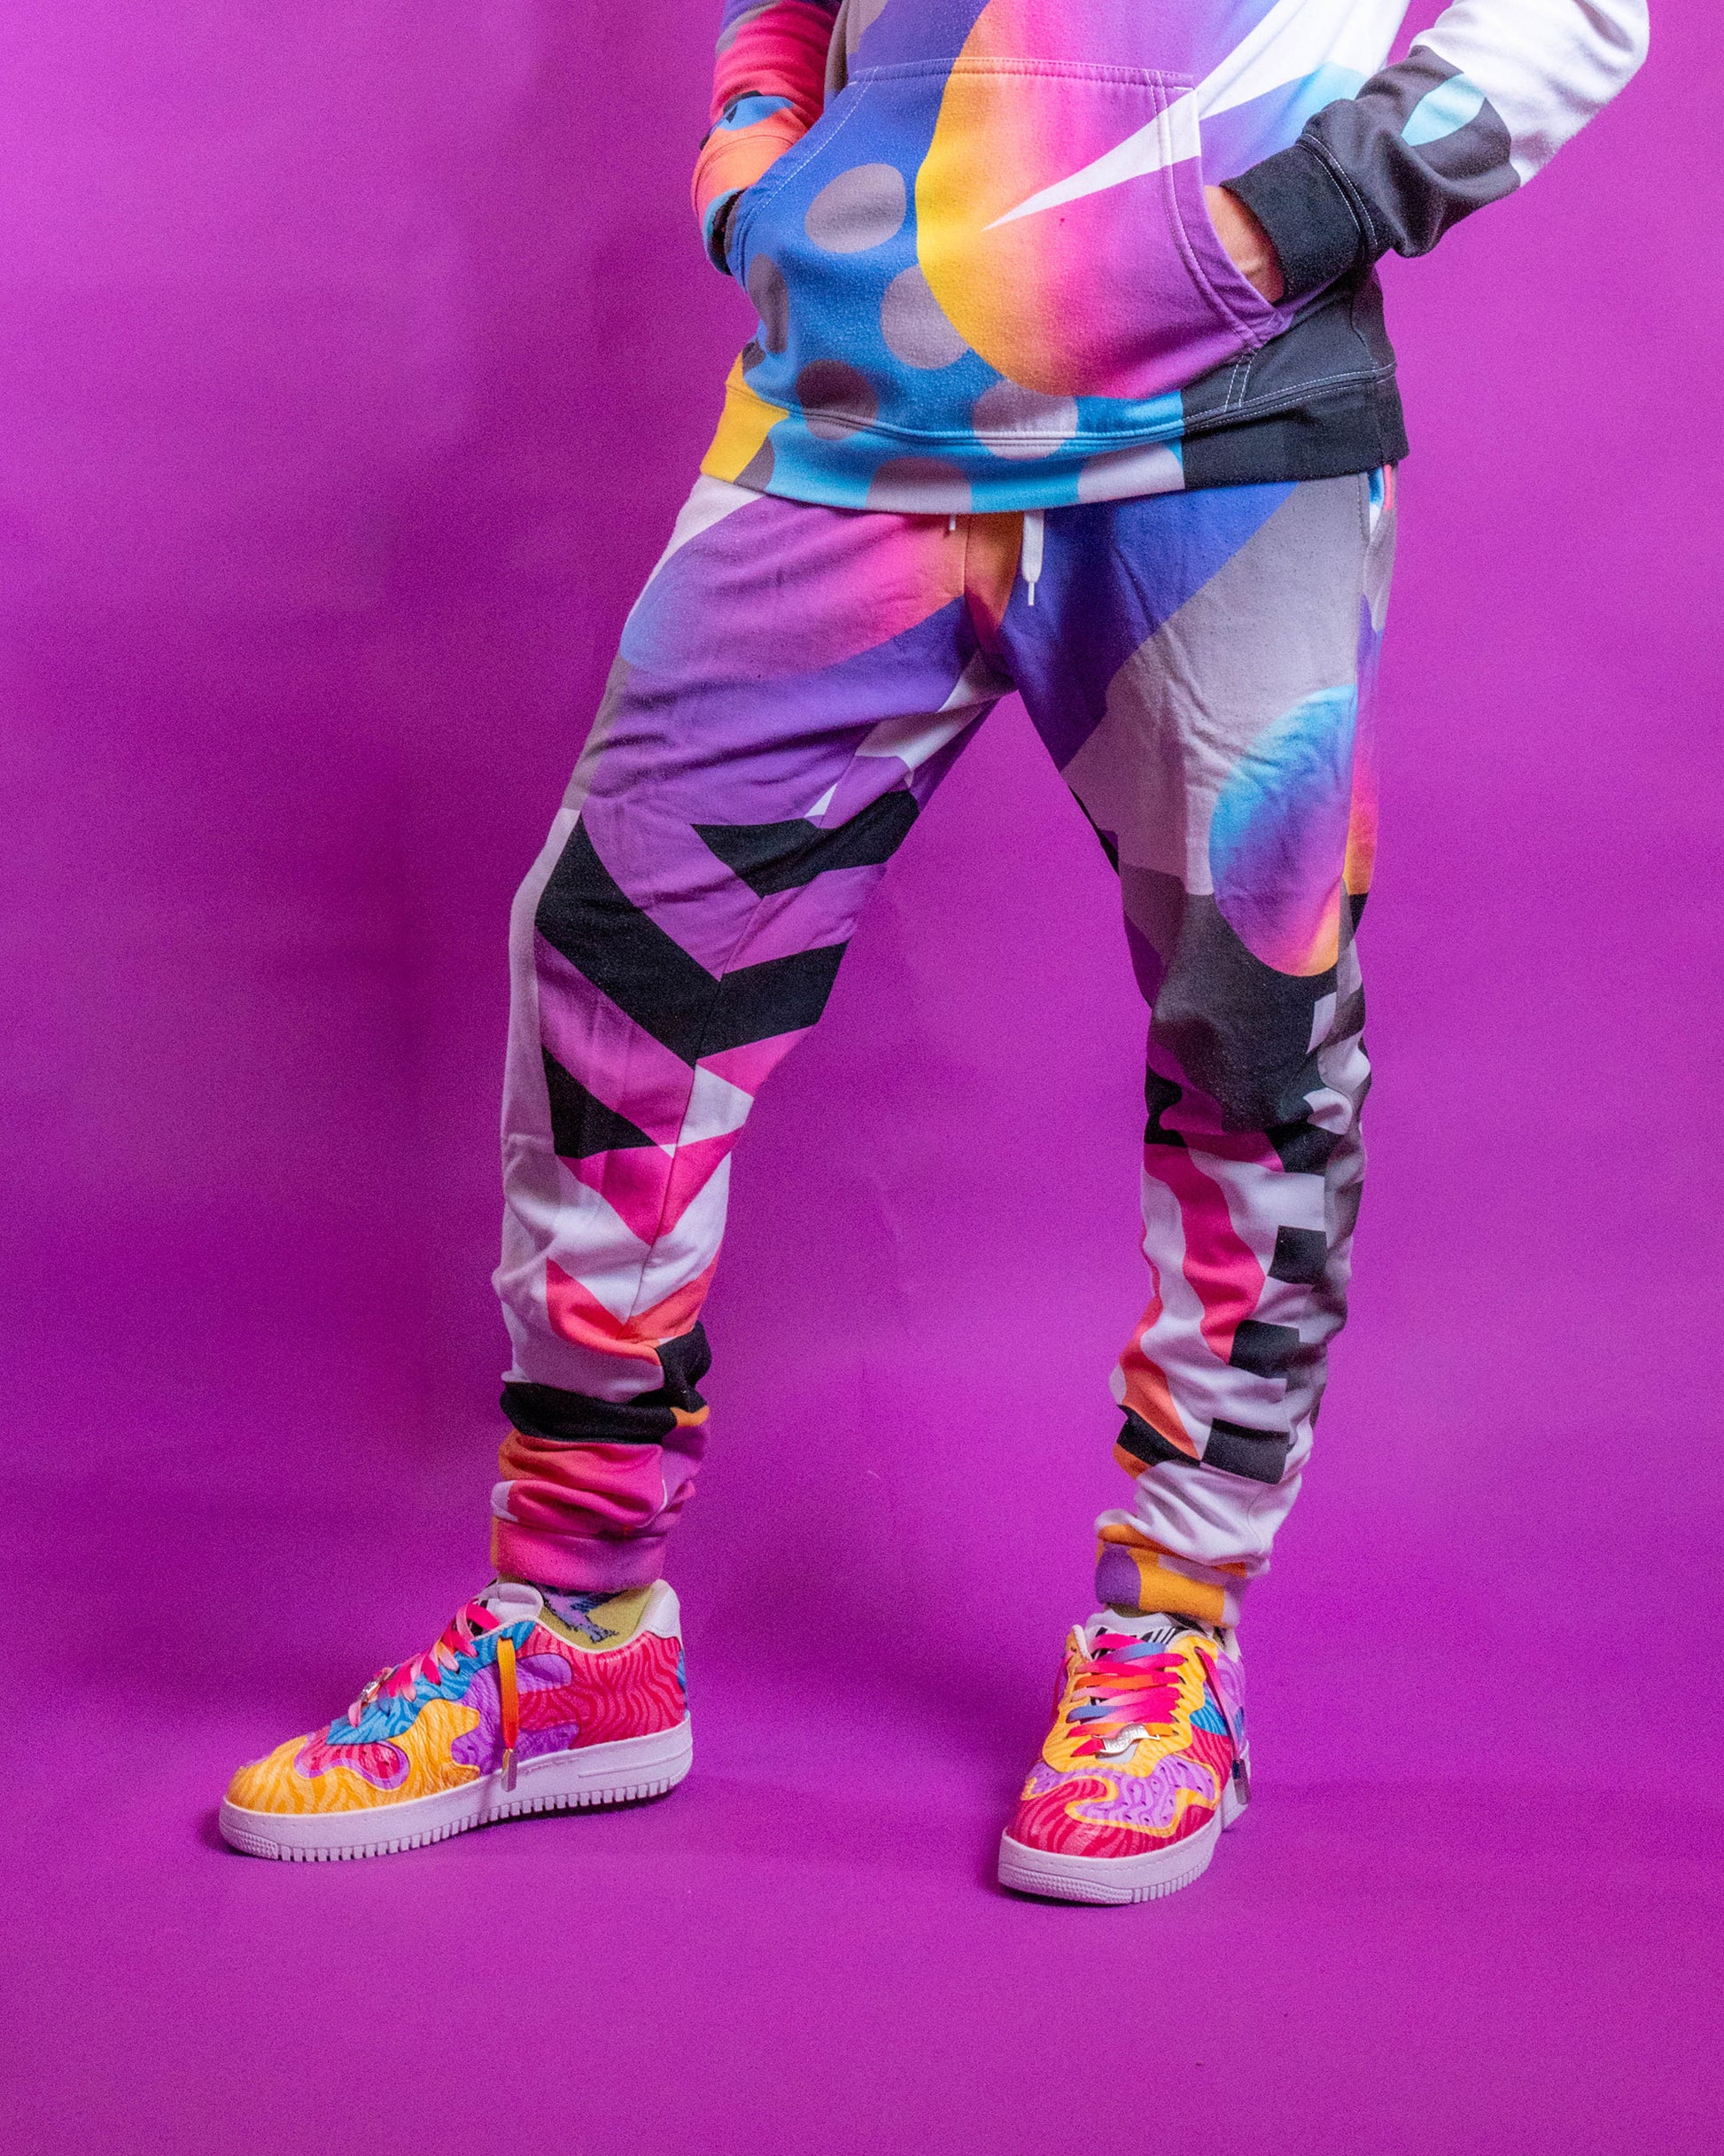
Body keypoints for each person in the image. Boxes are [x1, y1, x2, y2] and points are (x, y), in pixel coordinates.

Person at [221, 0, 1646, 1898]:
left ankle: (1170, 1641)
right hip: (843, 420)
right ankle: (573, 1636)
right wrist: (758, 171)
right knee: (612, 976)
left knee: (1252, 1030)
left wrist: (1289, 217)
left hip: (1223, 428)